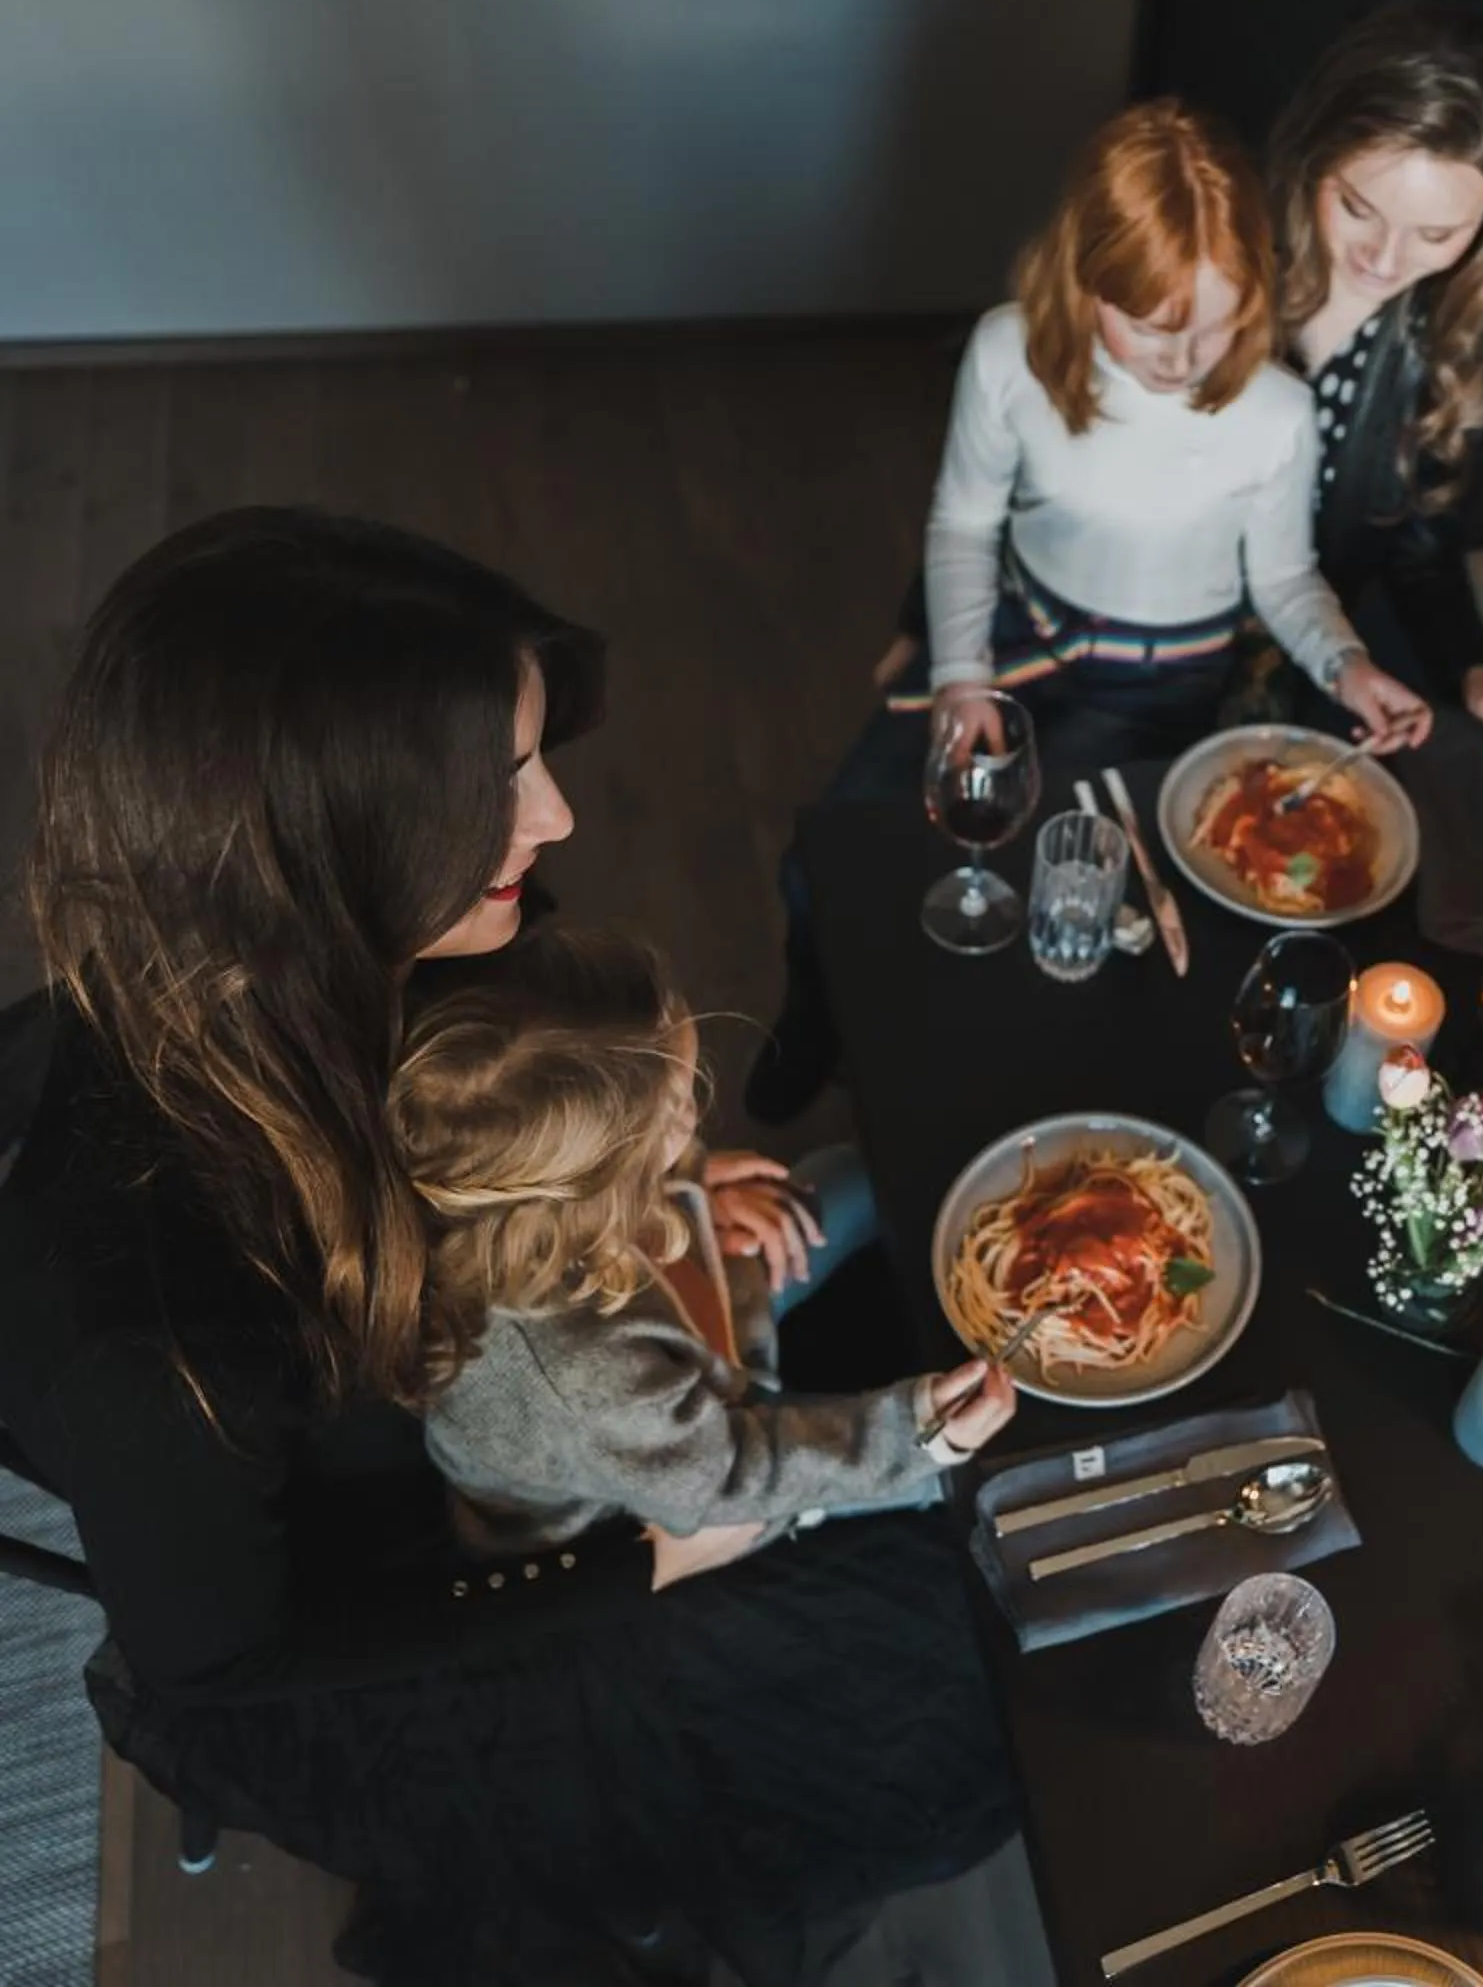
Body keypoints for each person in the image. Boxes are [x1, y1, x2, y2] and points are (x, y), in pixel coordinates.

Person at [0, 508, 1013, 1982]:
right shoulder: (147, 1331)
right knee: (944, 1705)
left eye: (535, 759)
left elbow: (527, 1123)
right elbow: (227, 1664)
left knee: (889, 1330)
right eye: (502, 784)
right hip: (403, 1585)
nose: (557, 823)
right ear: (319, 842)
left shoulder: (380, 941)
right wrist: (631, 1575)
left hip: (520, 1393)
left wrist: (643, 1183)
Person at [752, 96, 1433, 1120]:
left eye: (1220, 321)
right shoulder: (1008, 354)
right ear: (1086, 274)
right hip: (1017, 637)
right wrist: (961, 672)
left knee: (1042, 903)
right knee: (829, 859)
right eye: (1153, 325)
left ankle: (927, 1081)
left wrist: (1348, 664)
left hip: (1162, 685)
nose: (1185, 358)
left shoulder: (1276, 415)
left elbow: (1286, 581)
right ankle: (813, 1021)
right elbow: (962, 525)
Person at [397, 928, 1017, 1555]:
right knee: (969, 1471)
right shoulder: (585, 1381)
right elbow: (726, 1476)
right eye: (678, 1109)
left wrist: (688, 1174)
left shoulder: (493, 1165)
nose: (694, 1118)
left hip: (687, 1315)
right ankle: (819, 1507)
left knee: (844, 1176)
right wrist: (917, 1436)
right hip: (686, 1478)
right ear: (608, 1181)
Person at [1265, 0, 1483, 775]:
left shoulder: (1468, 340)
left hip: (1306, 674)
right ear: (1312, 155)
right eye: (1358, 207)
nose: (1385, 262)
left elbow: (1421, 553)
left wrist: (1476, 668)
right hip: (1120, 645)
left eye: (1436, 235)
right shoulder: (1212, 257)